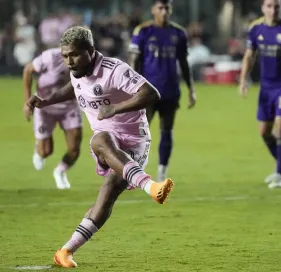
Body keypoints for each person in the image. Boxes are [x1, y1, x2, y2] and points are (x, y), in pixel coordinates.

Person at [26, 26, 174, 268]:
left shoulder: (113, 70)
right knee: (100, 139)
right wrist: (46, 100)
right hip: (107, 138)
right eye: (65, 56)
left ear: (91, 51)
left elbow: (151, 93)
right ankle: (150, 186)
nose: (69, 62)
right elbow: (73, 88)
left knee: (105, 198)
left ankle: (65, 251)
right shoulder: (77, 70)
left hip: (135, 140)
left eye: (74, 54)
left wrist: (115, 108)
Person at [238, 0, 281, 189]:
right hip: (265, 89)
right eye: (269, 6)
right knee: (264, 132)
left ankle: (279, 175)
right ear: (263, 8)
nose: (273, 10)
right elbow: (249, 55)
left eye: (276, 6)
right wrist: (243, 79)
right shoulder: (255, 29)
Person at [128, 0, 196, 181]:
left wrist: (191, 89)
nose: (164, 12)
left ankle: (162, 170)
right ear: (153, 10)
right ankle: (134, 170)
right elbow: (134, 61)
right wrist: (130, 87)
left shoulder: (179, 33)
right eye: (160, 8)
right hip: (147, 92)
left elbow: (183, 63)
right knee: (141, 131)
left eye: (167, 8)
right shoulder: (142, 31)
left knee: (167, 130)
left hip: (170, 90)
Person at [22, 47, 83, 189]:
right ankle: (39, 149)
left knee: (74, 148)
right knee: (46, 151)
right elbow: (27, 70)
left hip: (70, 107)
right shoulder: (51, 57)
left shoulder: (90, 60)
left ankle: (60, 171)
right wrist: (27, 102)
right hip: (44, 106)